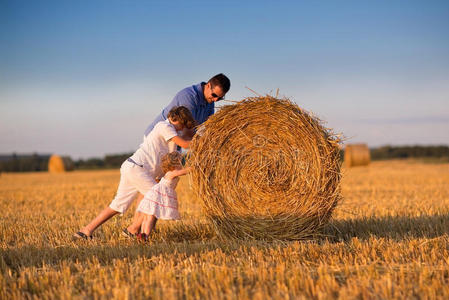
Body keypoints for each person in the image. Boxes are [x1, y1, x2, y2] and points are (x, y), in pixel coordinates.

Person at [73, 106, 195, 240]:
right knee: (156, 198)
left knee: (118, 205)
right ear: (174, 118)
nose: (182, 129)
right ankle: (133, 230)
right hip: (137, 168)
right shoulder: (164, 127)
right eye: (182, 124)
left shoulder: (171, 136)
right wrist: (204, 143)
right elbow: (184, 144)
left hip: (132, 167)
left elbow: (173, 159)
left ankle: (86, 230)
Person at [134, 151, 190, 241]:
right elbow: (185, 171)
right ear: (174, 164)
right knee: (150, 217)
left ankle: (143, 234)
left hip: (154, 194)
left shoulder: (168, 173)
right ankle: (145, 236)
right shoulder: (172, 172)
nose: (182, 164)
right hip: (157, 196)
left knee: (147, 217)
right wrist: (197, 166)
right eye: (181, 162)